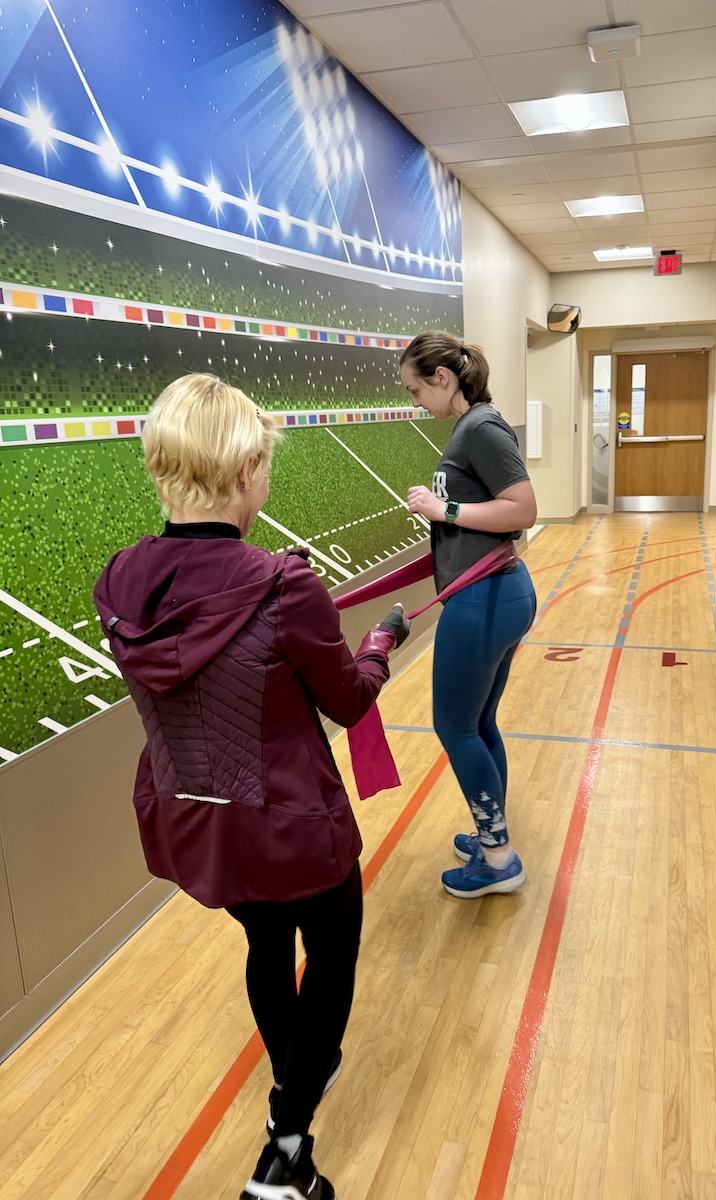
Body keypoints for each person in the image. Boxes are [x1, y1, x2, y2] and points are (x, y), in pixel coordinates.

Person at [93, 373, 409, 1200]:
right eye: (264, 467)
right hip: (295, 831)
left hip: (196, 823)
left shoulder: (118, 583)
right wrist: (377, 644)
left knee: (265, 947)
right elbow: (347, 698)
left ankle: (292, 1085)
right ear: (241, 476)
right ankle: (288, 1142)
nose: (266, 482)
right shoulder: (283, 584)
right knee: (330, 954)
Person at [401, 332, 537, 899]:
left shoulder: (481, 427)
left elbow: (523, 508)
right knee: (477, 724)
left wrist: (443, 507)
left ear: (442, 378)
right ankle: (491, 839)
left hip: (485, 598)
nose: (415, 402)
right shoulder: (469, 427)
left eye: (415, 389)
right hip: (492, 594)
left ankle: (499, 859)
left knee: (453, 726)